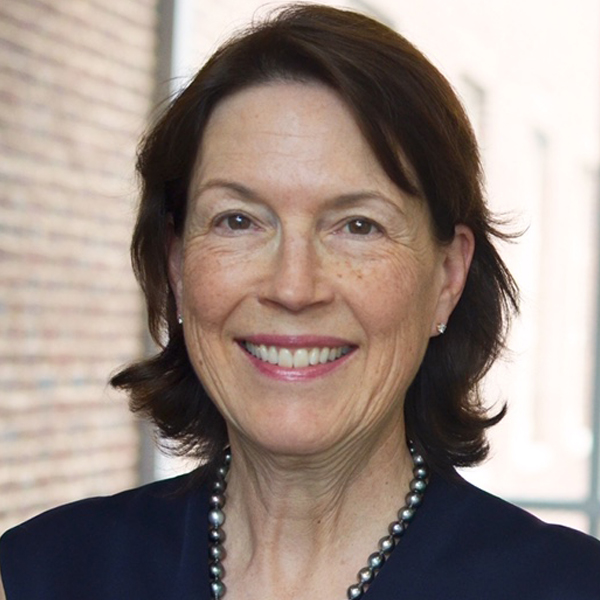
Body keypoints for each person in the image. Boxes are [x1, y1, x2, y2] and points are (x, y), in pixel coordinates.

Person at [1, 4, 599, 599]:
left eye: (358, 226)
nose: (293, 288)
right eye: (238, 220)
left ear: (447, 278)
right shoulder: (42, 574)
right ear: (177, 266)